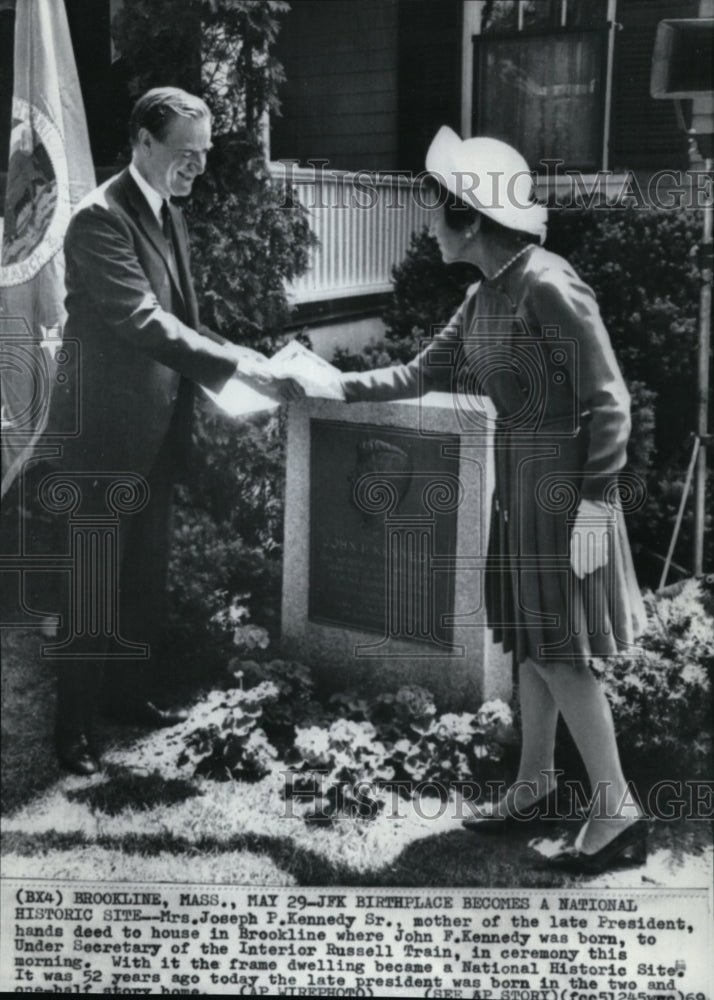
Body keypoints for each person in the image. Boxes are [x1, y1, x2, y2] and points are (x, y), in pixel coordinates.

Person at [338, 126, 648, 874]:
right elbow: (416, 373)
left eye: (438, 211)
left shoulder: (546, 282)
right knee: (532, 645)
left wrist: (598, 506)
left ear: (470, 219)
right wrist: (322, 382)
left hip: (566, 489)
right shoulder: (485, 295)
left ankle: (617, 813)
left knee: (563, 652)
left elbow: (610, 402)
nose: (429, 226)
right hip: (521, 484)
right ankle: (536, 785)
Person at [44, 87, 303, 776]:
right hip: (104, 435)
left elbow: (183, 318)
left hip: (156, 428)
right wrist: (235, 362)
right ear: (144, 142)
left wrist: (250, 359)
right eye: (186, 154)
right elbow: (142, 321)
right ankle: (71, 733)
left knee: (141, 577)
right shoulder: (98, 220)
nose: (197, 167)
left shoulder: (168, 215)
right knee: (93, 583)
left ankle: (127, 700)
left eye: (205, 155)